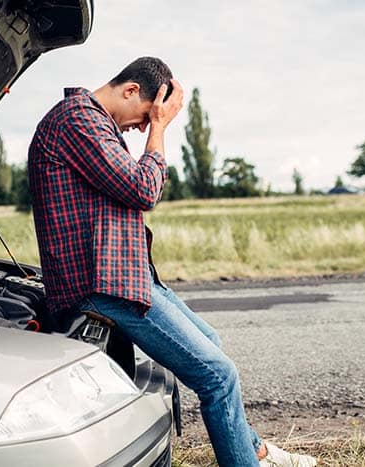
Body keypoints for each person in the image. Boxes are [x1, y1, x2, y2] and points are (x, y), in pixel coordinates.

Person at [28, 57, 316, 467]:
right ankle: (248, 461)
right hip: (103, 285)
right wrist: (161, 129)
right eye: (146, 115)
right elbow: (143, 187)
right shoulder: (78, 120)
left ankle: (253, 450)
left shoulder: (91, 122)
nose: (144, 127)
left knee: (210, 345)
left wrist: (155, 122)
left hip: (126, 276)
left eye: (150, 123)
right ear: (130, 90)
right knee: (218, 375)